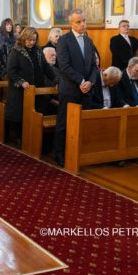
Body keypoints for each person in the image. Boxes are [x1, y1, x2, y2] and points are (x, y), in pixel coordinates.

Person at [53, 9, 97, 167]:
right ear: (71, 23)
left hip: (86, 90)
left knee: (82, 123)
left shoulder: (88, 41)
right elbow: (64, 66)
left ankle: (78, 152)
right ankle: (60, 154)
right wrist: (82, 81)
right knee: (64, 123)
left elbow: (94, 65)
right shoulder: (64, 41)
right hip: (70, 89)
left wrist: (90, 82)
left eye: (84, 21)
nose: (83, 24)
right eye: (78, 22)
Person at [5, 26, 54, 144]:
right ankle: (19, 138)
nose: (31, 42)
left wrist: (56, 79)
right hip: (21, 91)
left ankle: (34, 139)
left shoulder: (38, 51)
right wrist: (21, 82)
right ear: (23, 38)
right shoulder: (15, 51)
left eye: (34, 40)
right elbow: (11, 70)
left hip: (37, 90)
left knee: (35, 114)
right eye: (29, 40)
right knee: (21, 115)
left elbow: (46, 68)